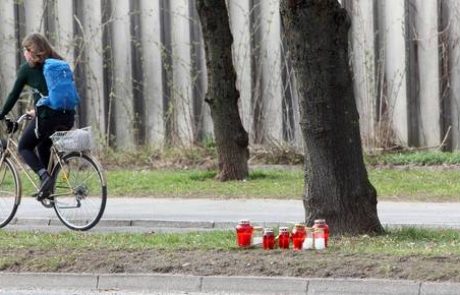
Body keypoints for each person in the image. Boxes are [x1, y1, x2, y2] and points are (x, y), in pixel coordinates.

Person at [0, 33, 75, 200]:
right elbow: (60, 90)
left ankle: (44, 177)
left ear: (31, 50)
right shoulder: (59, 62)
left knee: (23, 147)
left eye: (25, 50)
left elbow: (13, 95)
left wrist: (1, 114)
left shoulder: (27, 69)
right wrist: (36, 110)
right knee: (42, 146)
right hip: (67, 115)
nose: (23, 54)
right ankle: (49, 189)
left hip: (48, 118)